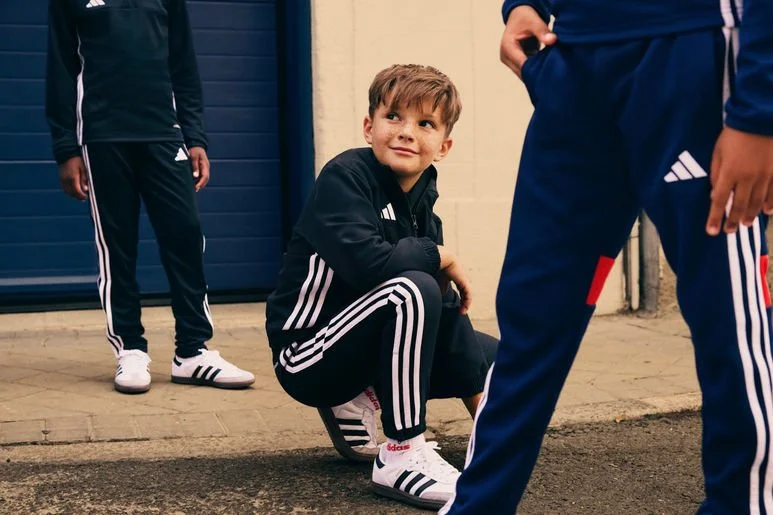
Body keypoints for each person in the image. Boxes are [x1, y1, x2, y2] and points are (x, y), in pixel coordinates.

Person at [442, 0, 773, 513]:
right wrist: (526, 4)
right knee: (534, 315)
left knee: (727, 319)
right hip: (574, 63)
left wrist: (759, 110)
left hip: (693, 51)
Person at [265, 64, 497, 510]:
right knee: (412, 289)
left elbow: (444, 308)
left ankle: (362, 397)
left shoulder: (422, 198)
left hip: (362, 344)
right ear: (370, 126)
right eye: (394, 117)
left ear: (443, 145)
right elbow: (371, 266)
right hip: (307, 353)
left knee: (491, 358)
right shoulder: (345, 177)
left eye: (425, 123)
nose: (407, 132)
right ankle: (402, 452)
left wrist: (488, 429)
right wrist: (442, 255)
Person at [45, 0, 255, 394]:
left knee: (185, 234)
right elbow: (60, 69)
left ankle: (192, 352)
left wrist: (195, 136)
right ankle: (130, 349)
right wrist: (66, 149)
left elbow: (184, 66)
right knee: (117, 245)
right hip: (102, 136)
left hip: (164, 133)